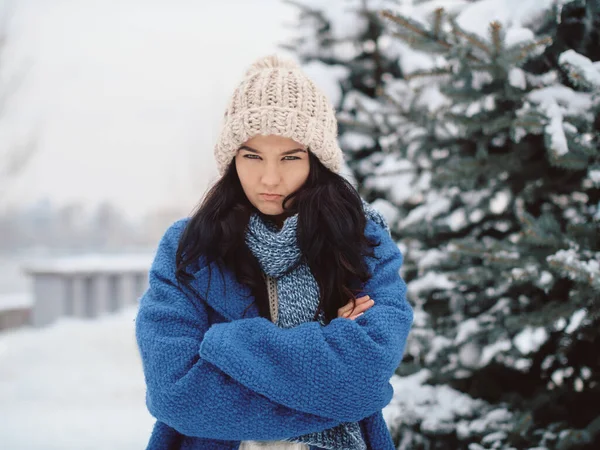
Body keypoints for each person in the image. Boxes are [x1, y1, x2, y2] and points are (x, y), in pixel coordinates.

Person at [135, 54, 414, 450]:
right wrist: (331, 371)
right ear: (231, 160)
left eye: (289, 158)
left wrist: (226, 344)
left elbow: (364, 376)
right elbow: (175, 395)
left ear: (317, 161)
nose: (269, 178)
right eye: (252, 156)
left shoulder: (362, 242)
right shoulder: (188, 249)